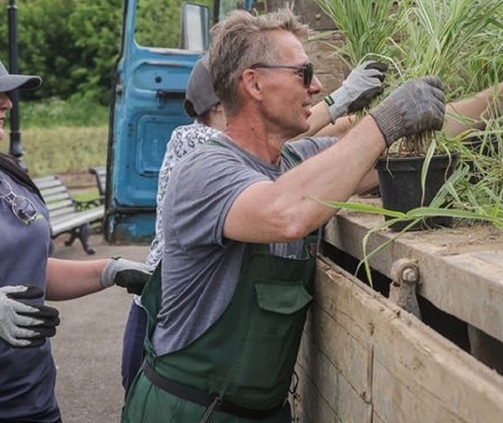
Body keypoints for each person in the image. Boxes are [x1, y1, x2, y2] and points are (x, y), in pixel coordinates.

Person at [120, 7, 446, 422]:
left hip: (261, 411)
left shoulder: (292, 159)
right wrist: (386, 119)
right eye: (303, 73)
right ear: (253, 83)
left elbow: (374, 159)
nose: (317, 86)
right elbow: (287, 212)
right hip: (190, 411)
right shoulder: (202, 167)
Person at [0, 38, 152, 423]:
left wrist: (108, 270)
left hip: (33, 402)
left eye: (7, 92)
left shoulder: (3, 172)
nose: (7, 102)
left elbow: (24, 269)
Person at [119, 53, 389, 392]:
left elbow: (299, 146)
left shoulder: (250, 151)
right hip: (167, 319)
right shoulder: (192, 143)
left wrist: (363, 121)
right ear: (220, 106)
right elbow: (281, 143)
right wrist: (339, 101)